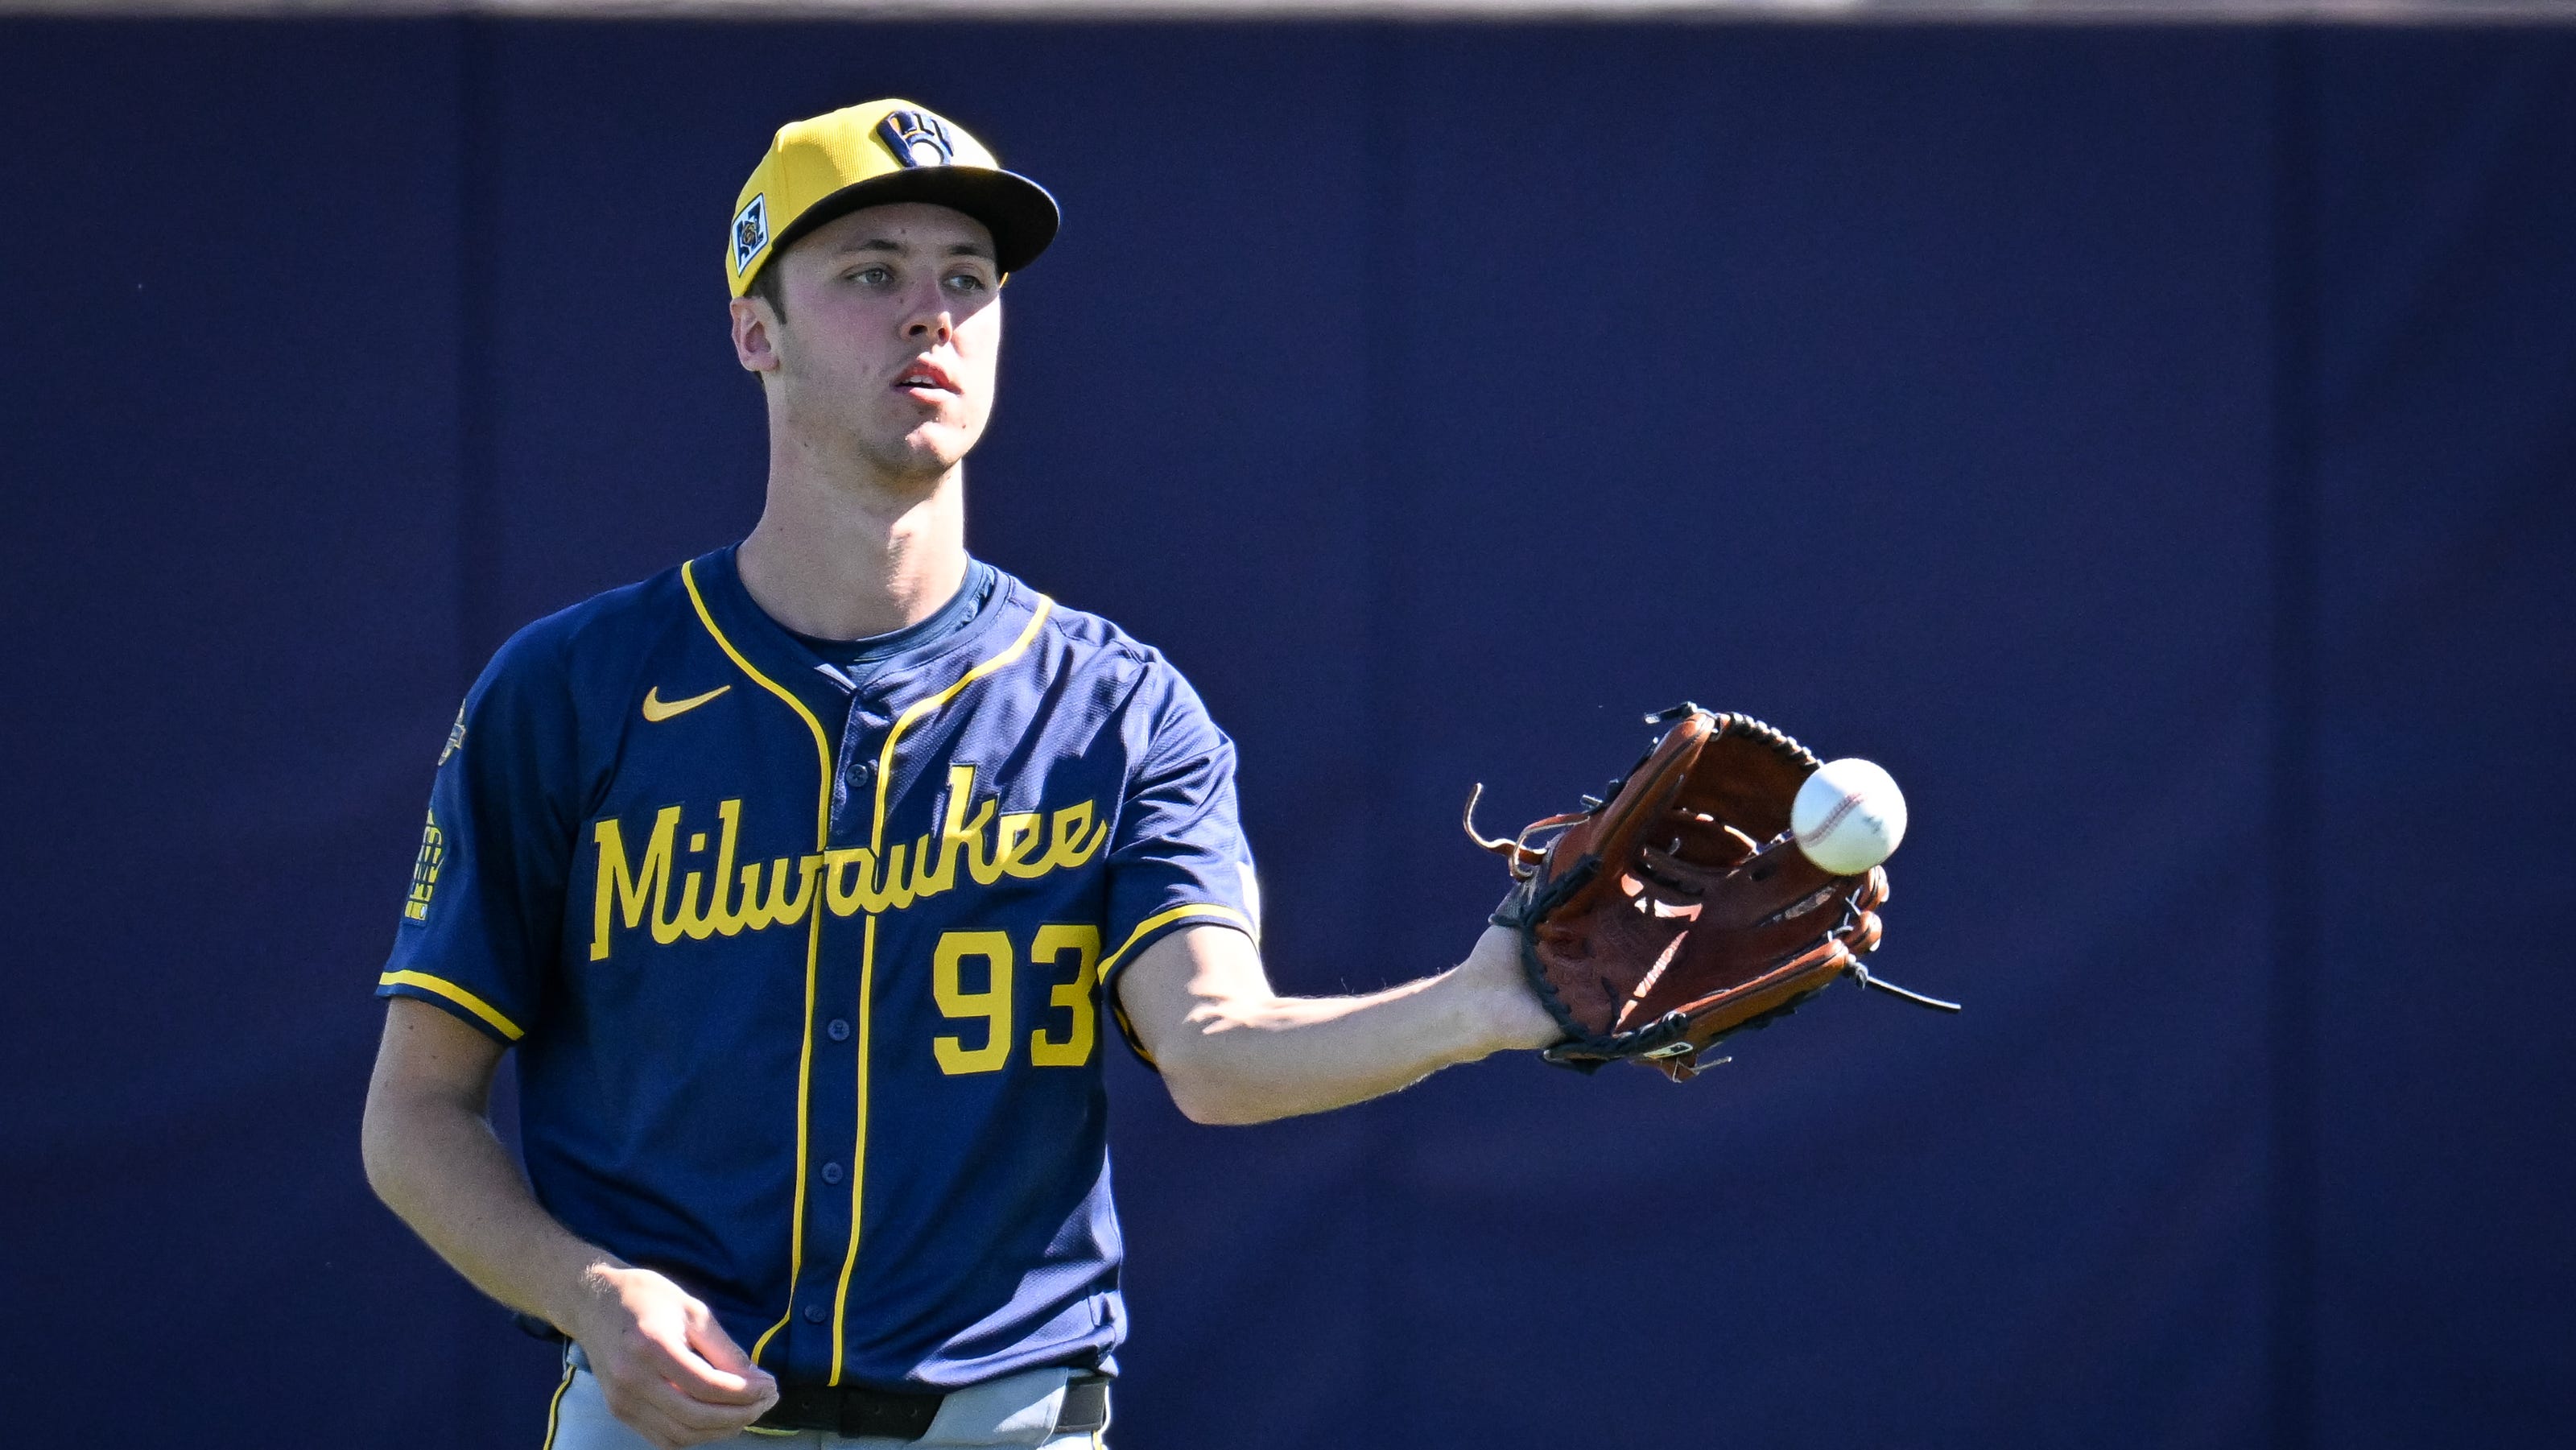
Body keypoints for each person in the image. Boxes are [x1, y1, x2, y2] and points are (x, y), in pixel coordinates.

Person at [361, 98, 1559, 1450]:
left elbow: (1220, 1053)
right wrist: (586, 1291)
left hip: (1004, 1422)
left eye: (967, 281)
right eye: (871, 273)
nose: (931, 313)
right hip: (663, 1420)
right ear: (758, 330)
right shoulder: (567, 691)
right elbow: (413, 1112)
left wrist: (1485, 1004)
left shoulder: (1118, 707)